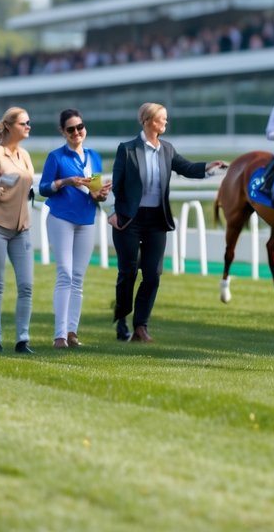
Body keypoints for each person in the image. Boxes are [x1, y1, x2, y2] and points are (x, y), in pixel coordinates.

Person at [108, 103, 227, 343]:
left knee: (153, 274)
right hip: (128, 220)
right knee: (128, 272)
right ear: (149, 121)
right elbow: (116, 183)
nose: (166, 122)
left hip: (156, 220)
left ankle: (141, 326)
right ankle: (121, 319)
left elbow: (187, 168)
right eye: (162, 118)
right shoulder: (127, 149)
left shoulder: (167, 150)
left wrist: (209, 168)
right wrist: (112, 212)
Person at [39, 109, 110, 349]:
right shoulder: (56, 157)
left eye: (80, 127)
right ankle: (59, 335)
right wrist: (67, 182)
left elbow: (94, 191)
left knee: (78, 277)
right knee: (65, 274)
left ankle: (72, 332)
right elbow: (44, 188)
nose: (76, 132)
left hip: (86, 218)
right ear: (63, 132)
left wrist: (101, 194)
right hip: (61, 218)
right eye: (71, 129)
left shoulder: (93, 157)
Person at [0, 107, 36, 353]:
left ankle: (23, 339)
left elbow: (28, 184)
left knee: (26, 285)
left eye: (28, 122)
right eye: (24, 123)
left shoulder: (25, 155)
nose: (28, 126)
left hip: (21, 228)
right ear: (10, 126)